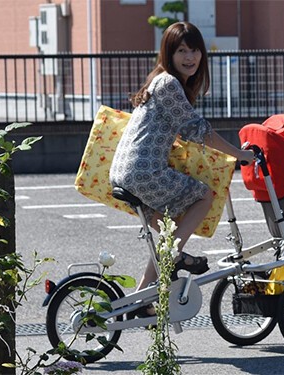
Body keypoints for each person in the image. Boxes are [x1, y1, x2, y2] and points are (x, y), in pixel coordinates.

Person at [109, 22, 254, 308]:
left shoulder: (157, 81)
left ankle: (141, 299)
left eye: (195, 50)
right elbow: (198, 130)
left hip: (126, 172)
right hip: (143, 171)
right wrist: (240, 154)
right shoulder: (168, 83)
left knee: (169, 232)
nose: (190, 57)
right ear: (169, 54)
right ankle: (177, 256)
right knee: (204, 196)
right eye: (181, 51)